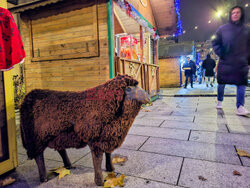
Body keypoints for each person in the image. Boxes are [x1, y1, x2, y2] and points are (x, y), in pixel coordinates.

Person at [212, 6, 249, 115]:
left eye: (238, 12)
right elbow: (215, 42)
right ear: (230, 15)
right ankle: (219, 100)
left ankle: (240, 106)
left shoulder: (247, 30)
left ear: (241, 14)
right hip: (226, 61)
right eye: (233, 13)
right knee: (221, 83)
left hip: (241, 62)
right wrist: (221, 53)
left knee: (242, 84)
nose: (235, 14)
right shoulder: (222, 29)